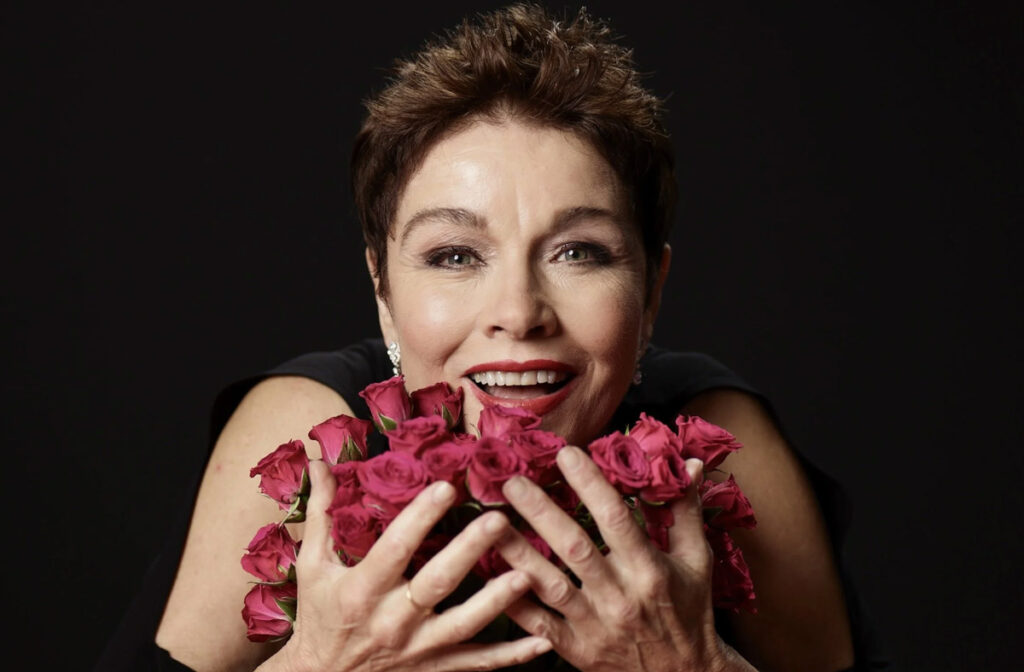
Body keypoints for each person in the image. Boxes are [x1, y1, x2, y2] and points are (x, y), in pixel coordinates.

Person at [98, 4, 891, 671]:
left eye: (578, 252)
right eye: (454, 256)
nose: (519, 311)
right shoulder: (314, 442)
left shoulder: (712, 443)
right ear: (383, 292)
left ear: (651, 290)